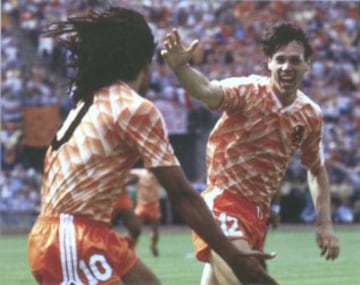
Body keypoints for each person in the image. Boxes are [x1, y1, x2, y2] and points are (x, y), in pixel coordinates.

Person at [27, 6, 278, 285]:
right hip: (71, 237)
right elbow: (181, 195)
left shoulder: (88, 102)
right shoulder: (134, 108)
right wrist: (233, 256)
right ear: (145, 65)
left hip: (82, 233)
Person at [161, 22, 340, 284]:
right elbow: (206, 91)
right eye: (280, 60)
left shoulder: (310, 114)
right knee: (250, 277)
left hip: (257, 215)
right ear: (268, 62)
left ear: (307, 64)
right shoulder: (248, 91)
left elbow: (316, 170)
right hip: (223, 203)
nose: (286, 67)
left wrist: (324, 223)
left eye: (294, 60)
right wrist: (181, 68)